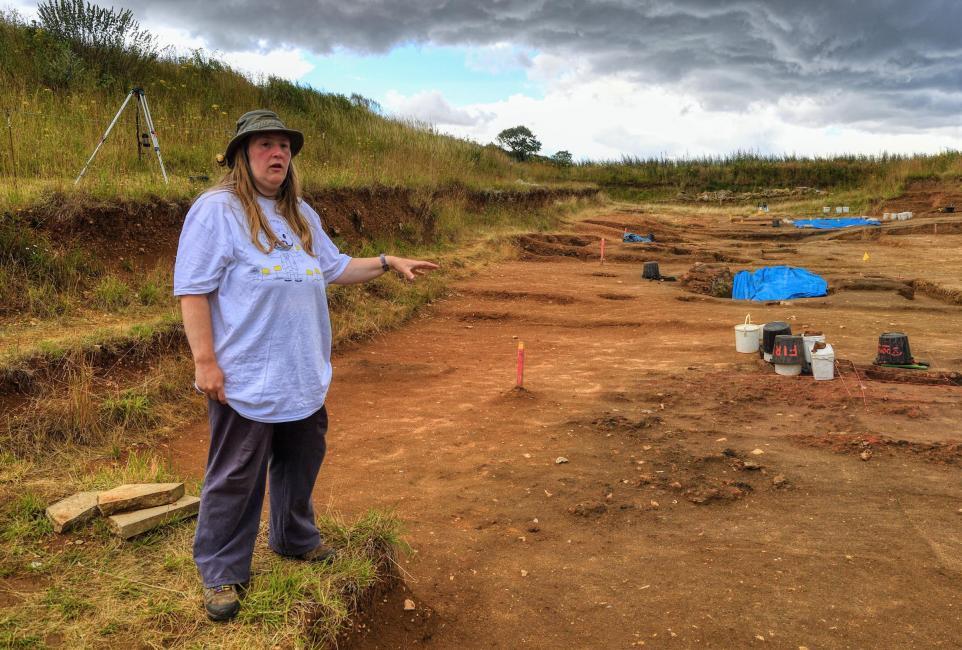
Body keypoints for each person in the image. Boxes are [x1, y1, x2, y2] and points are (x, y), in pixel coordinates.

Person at [173, 109, 438, 621]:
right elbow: (193, 289)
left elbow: (335, 267)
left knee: (300, 463)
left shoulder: (300, 215)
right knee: (235, 476)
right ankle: (222, 570)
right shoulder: (217, 211)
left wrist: (387, 261)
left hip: (301, 374)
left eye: (284, 147)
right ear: (240, 156)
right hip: (247, 377)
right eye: (265, 145)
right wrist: (205, 362)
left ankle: (294, 538)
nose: (277, 154)